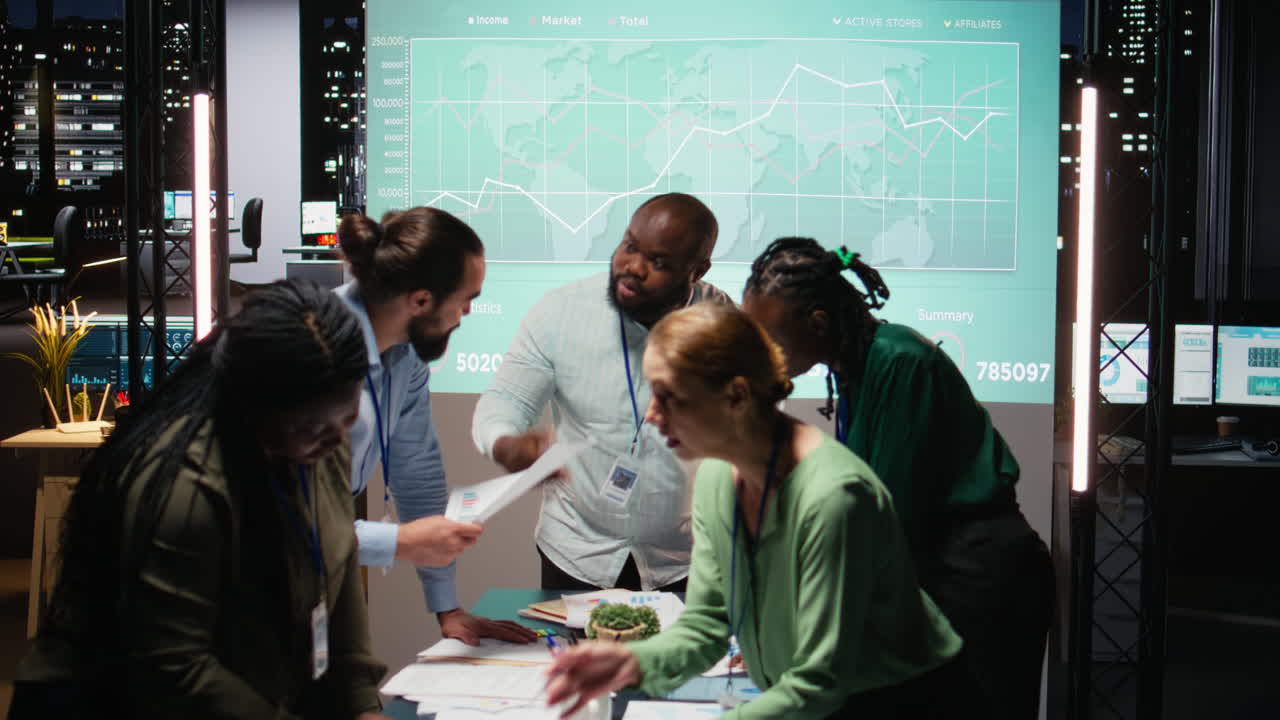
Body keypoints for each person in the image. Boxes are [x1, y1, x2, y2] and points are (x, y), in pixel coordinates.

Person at [545, 303, 983, 719]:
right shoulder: (718, 475)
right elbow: (706, 627)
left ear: (736, 396)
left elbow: (818, 683)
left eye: (668, 397)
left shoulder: (835, 497)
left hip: (900, 706)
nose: (653, 415)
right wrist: (629, 662)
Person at [10, 281, 387, 719]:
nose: (338, 436)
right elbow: (174, 671)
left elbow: (336, 565)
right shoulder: (184, 487)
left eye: (348, 416)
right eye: (316, 426)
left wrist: (362, 704)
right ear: (262, 407)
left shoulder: (323, 441)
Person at [741, 237, 1054, 720]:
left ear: (818, 323)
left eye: (770, 340)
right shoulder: (854, 368)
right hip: (941, 568)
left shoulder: (899, 360)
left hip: (980, 576)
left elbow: (891, 519)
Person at [472, 193, 730, 592]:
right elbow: (505, 401)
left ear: (697, 271)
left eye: (658, 262)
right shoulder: (561, 311)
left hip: (686, 560)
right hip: (577, 553)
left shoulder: (727, 327)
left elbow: (754, 430)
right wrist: (503, 443)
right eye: (629, 245)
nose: (632, 267)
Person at [335, 207, 536, 645]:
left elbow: (417, 473)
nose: (465, 314)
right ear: (421, 300)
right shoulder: (315, 352)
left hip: (320, 563)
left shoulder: (405, 356)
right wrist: (397, 541)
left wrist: (448, 607)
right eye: (467, 299)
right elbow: (276, 526)